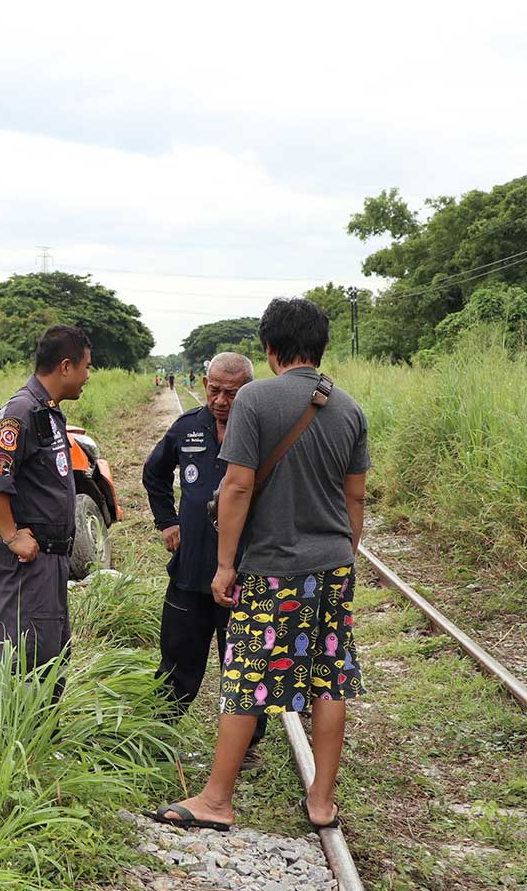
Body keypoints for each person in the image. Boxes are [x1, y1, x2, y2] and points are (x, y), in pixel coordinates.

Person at [147, 297, 370, 832]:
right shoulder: (349, 407)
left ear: (270, 349)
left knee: (247, 676)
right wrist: (344, 554)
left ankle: (217, 800)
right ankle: (321, 801)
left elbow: (239, 485)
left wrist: (224, 566)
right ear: (320, 348)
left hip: (271, 568)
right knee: (329, 679)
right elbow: (355, 499)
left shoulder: (255, 401)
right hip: (332, 565)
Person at [143, 352, 266, 766]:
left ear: (247, 390)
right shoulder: (186, 428)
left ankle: (246, 746)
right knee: (178, 657)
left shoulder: (262, 431)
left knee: (245, 664)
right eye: (214, 389)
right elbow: (154, 473)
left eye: (231, 393)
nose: (220, 400)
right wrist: (167, 521)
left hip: (245, 573)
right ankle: (158, 734)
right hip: (192, 568)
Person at [0, 325, 92, 676]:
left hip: (49, 562)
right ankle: (23, 732)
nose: (89, 376)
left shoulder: (48, 410)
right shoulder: (21, 412)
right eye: (87, 366)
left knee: (52, 658)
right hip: (27, 564)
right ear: (66, 366)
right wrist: (12, 535)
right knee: (28, 662)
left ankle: (47, 732)